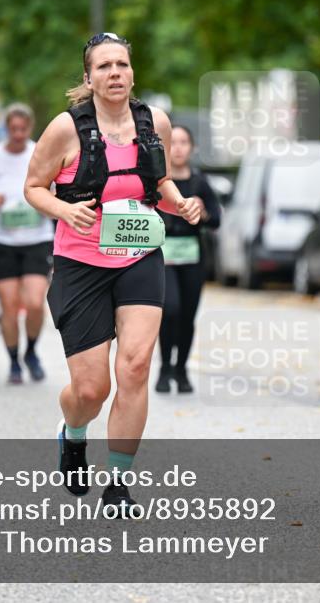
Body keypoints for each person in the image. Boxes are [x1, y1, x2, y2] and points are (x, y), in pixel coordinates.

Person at [25, 32, 201, 515]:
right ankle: (73, 432)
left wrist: (181, 203)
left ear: (132, 72)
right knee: (90, 389)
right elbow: (33, 188)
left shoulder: (154, 122)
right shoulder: (65, 129)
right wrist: (64, 209)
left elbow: (158, 179)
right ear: (88, 77)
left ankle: (119, 484)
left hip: (140, 253)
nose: (115, 73)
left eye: (121, 64)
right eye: (104, 66)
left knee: (137, 367)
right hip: (80, 264)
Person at [0, 104, 53, 384]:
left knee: (34, 302)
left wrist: (46, 205)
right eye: (13, 129)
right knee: (9, 305)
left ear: (29, 128)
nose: (18, 134)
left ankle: (31, 350)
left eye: (23, 129)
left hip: (36, 238)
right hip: (1, 239)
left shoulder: (41, 152)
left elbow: (55, 193)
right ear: (5, 129)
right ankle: (14, 361)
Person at [156, 125, 221, 393]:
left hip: (193, 257)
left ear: (192, 148)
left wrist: (202, 212)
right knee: (170, 309)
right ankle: (164, 367)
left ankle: (181, 370)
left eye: (184, 142)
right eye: (174, 142)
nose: (179, 148)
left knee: (187, 315)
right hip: (164, 255)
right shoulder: (157, 182)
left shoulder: (199, 182)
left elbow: (216, 220)